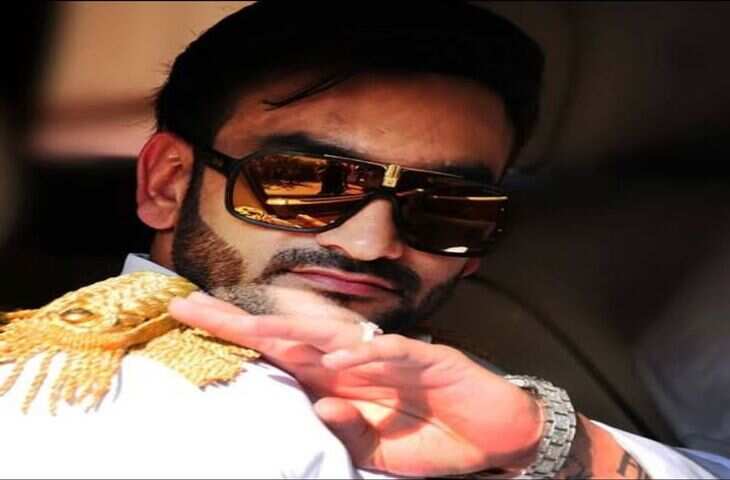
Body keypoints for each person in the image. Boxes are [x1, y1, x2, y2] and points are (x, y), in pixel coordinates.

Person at [0, 1, 724, 478]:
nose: (371, 242)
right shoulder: (83, 406)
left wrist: (552, 444)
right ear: (168, 184)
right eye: (305, 182)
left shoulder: (487, 402)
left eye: (447, 206)